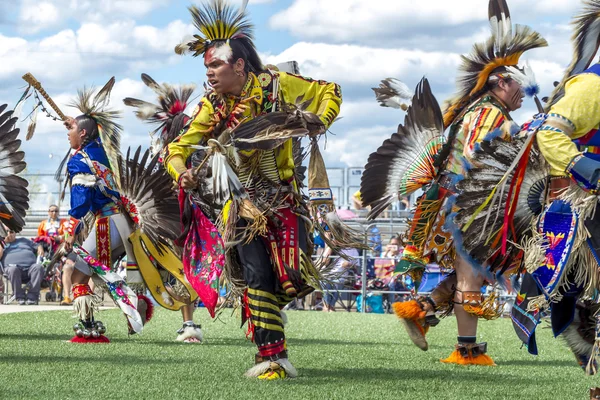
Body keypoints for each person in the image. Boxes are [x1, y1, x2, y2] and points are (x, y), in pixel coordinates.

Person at [165, 0, 356, 379]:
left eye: (216, 65)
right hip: (240, 206)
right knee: (256, 277)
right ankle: (271, 356)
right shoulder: (211, 106)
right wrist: (181, 171)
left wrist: (317, 122)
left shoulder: (277, 85)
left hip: (284, 197)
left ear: (239, 65)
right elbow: (177, 148)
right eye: (206, 68)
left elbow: (329, 91)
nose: (210, 73)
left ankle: (269, 309)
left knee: (292, 277)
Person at [360, 0, 547, 365]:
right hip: (467, 209)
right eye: (518, 85)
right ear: (501, 82)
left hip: (471, 207)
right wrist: (531, 131)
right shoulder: (489, 114)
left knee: (482, 271)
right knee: (472, 276)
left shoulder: (484, 111)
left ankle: (421, 309)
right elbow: (476, 155)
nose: (523, 93)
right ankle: (466, 351)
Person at [1, 229, 45, 305]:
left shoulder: (24, 241)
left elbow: (37, 245)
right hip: (12, 268)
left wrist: (40, 248)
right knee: (13, 270)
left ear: (15, 233)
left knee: (38, 267)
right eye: (6, 232)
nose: (9, 234)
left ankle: (32, 297)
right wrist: (3, 242)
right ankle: (19, 296)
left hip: (30, 268)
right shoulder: (2, 244)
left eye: (11, 232)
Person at [322, 244, 360, 312]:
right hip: (328, 273)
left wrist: (349, 264)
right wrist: (330, 249)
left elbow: (356, 267)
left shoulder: (353, 250)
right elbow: (323, 262)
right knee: (325, 283)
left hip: (342, 274)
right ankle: (328, 306)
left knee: (336, 283)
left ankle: (331, 306)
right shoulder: (332, 248)